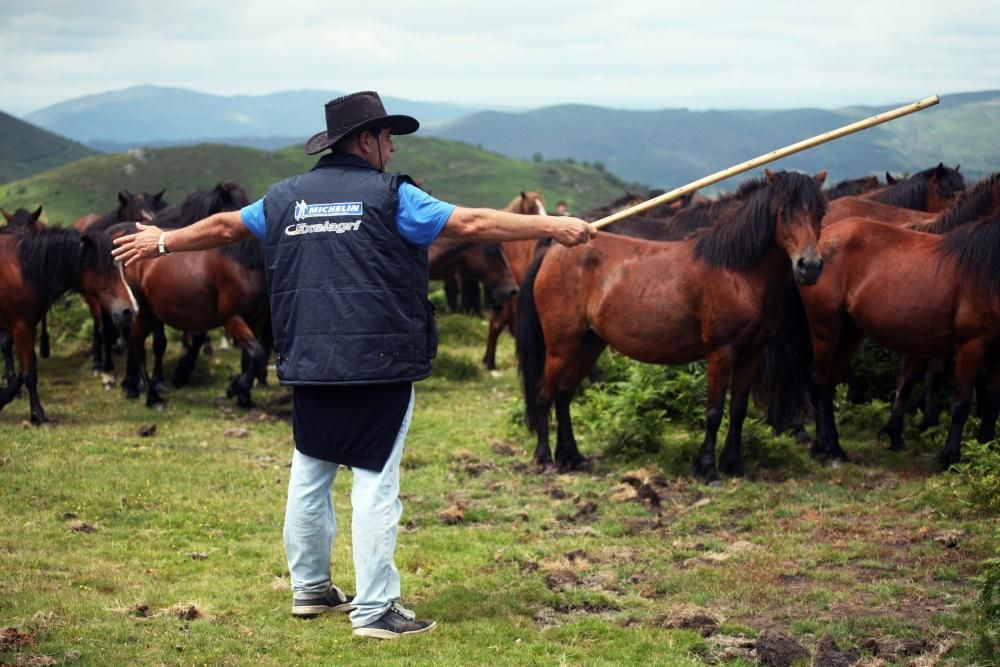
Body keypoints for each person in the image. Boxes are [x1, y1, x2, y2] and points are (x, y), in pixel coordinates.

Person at [112, 91, 596, 640]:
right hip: (378, 362)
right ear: (365, 140)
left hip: (307, 358)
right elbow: (471, 224)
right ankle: (374, 611)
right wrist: (551, 228)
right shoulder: (394, 198)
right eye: (388, 136)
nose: (392, 147)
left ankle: (311, 589)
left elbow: (225, 229)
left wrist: (163, 241)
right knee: (374, 483)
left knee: (311, 474)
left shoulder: (285, 198)